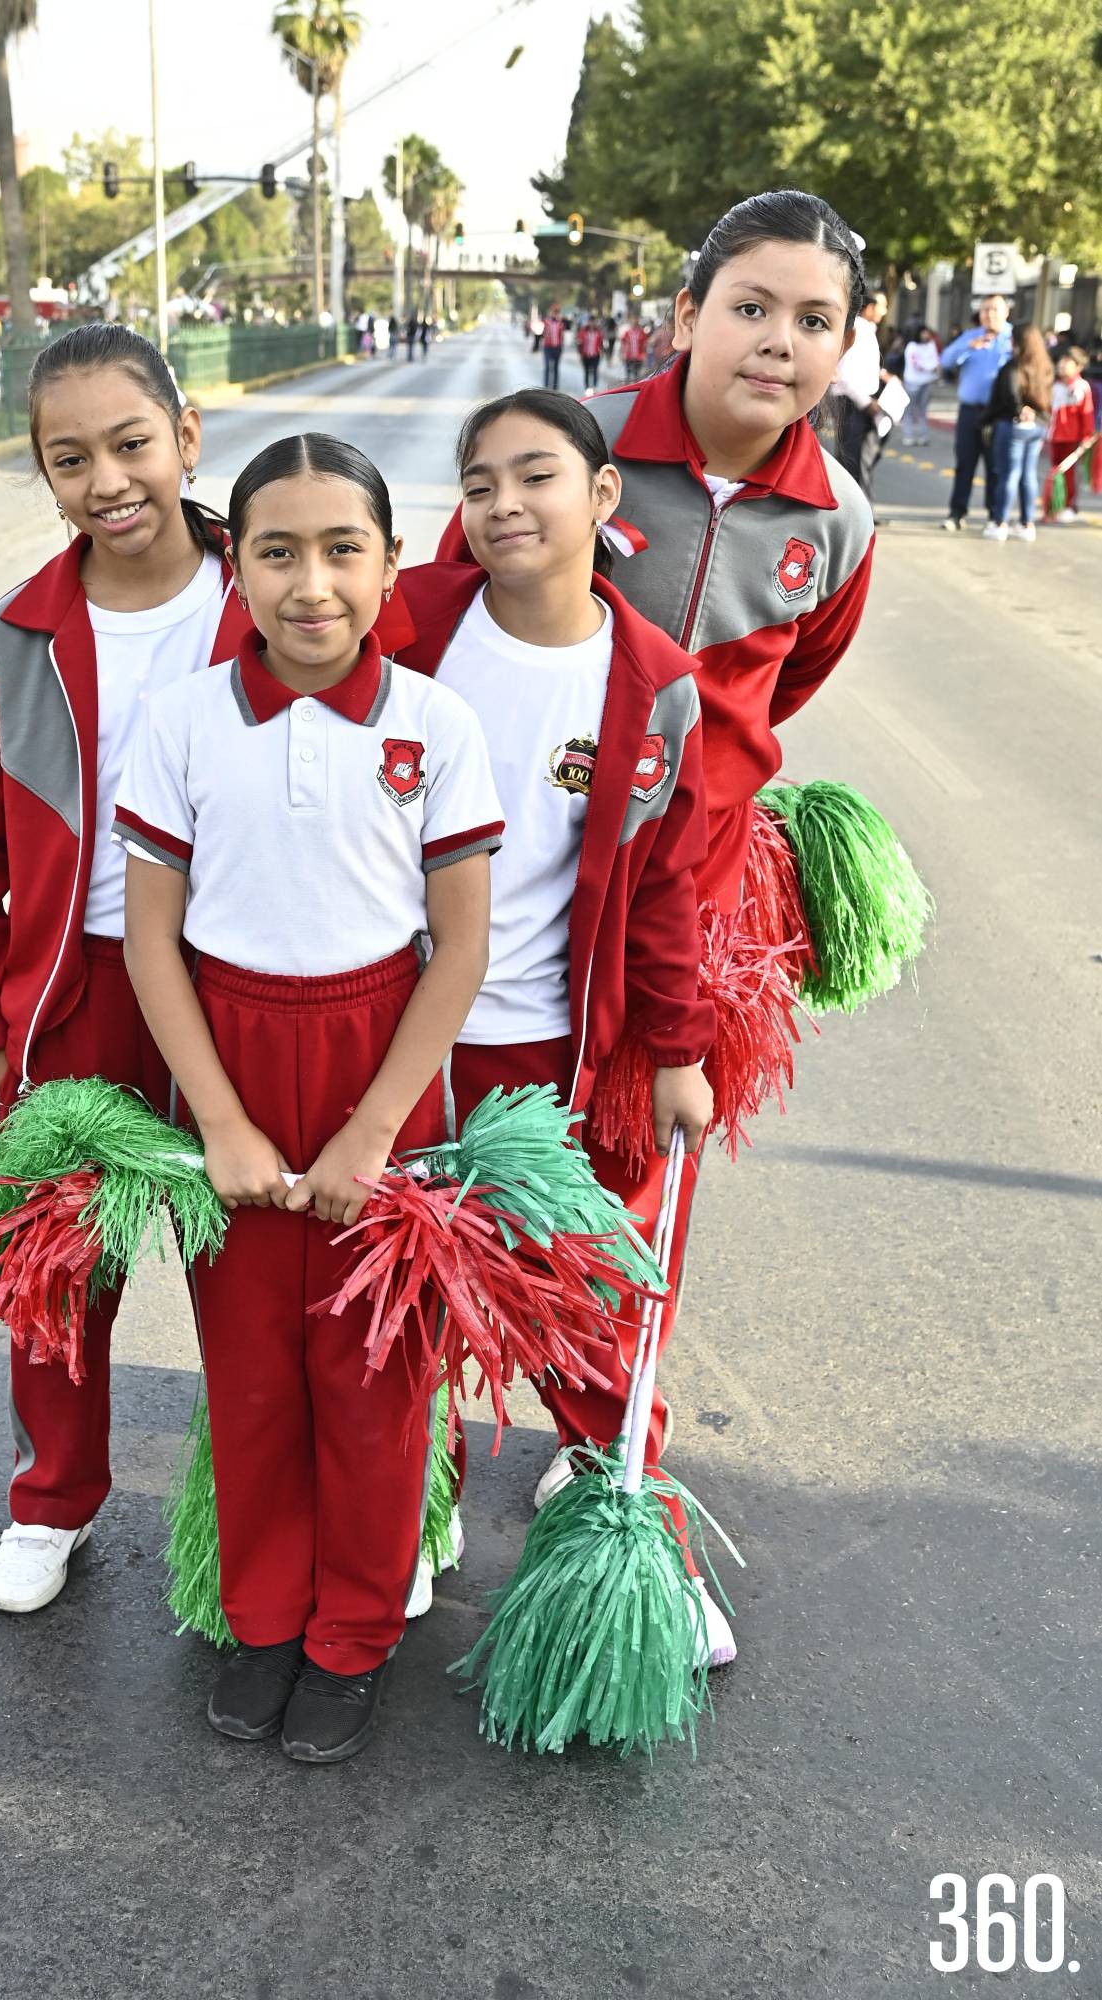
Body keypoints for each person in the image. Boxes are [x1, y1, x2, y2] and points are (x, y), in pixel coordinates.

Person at [435, 191, 876, 1663]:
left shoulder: (842, 521)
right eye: (752, 306)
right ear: (687, 316)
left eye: (814, 320)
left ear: (841, 347)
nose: (779, 341)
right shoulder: (565, 445)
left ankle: (600, 1453)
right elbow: (441, 628)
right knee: (445, 1174)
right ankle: (415, 1453)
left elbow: (775, 698)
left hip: (683, 910)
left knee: (619, 1209)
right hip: (517, 882)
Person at [118, 433, 502, 1762]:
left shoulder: (435, 728)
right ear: (238, 563)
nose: (310, 584)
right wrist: (216, 1119)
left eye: (344, 549)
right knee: (254, 1369)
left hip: (375, 1061)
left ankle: (352, 1634)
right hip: (228, 1053)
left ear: (392, 564)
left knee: (375, 1371)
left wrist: (374, 1128)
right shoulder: (181, 723)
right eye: (276, 551)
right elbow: (153, 939)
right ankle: (263, 1615)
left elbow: (459, 946)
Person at [0, 324, 249, 1617]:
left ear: (185, 437)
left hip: (240, 991)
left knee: (256, 1263)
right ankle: (50, 1498)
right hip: (76, 992)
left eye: (130, 443)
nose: (108, 479)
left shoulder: (270, 596)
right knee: (58, 1264)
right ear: (46, 477)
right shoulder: (13, 640)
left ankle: (286, 1507)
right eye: (71, 459)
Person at [392, 387, 721, 1639]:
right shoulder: (412, 620)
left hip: (542, 1045)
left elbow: (666, 888)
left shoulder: (653, 683)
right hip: (399, 1033)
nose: (505, 504)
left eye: (536, 476)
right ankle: (412, 1514)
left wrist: (679, 1051)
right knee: (403, 1298)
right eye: (479, 484)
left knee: (571, 1297)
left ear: (601, 497)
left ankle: (637, 1541)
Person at [938, 295, 1013, 530]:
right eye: (985, 310)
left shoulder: (1012, 339)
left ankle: (994, 515)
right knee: (965, 464)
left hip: (999, 413)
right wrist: (967, 346)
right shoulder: (971, 336)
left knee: (996, 467)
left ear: (1006, 312)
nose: (989, 314)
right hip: (970, 412)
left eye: (994, 309)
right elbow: (946, 360)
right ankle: (956, 513)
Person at [982, 322, 1052, 542]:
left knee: (1008, 475)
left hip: (1012, 426)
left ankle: (1000, 522)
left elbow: (1008, 396)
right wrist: (1032, 413)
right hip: (1037, 428)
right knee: (1028, 475)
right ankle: (1026, 523)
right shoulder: (1045, 366)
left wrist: (1020, 410)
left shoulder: (1013, 367)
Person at [832, 289, 889, 511]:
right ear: (871, 307)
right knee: (852, 461)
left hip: (859, 402)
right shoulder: (859, 329)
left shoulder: (867, 329)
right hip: (853, 404)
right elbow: (845, 375)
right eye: (883, 305)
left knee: (862, 460)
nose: (885, 311)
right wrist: (867, 403)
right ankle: (853, 514)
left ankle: (863, 512)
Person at [1047, 346, 1096, 523]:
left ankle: (1069, 506)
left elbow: (1087, 415)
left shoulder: (1081, 387)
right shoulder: (1055, 385)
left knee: (1068, 475)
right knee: (1054, 473)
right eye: (1061, 361)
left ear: (1078, 366)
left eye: (1068, 362)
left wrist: (1086, 438)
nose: (1062, 365)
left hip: (1072, 438)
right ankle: (1054, 506)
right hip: (1054, 436)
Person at [902, 325, 941, 443]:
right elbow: (916, 364)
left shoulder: (931, 345)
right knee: (909, 410)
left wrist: (935, 368)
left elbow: (936, 359)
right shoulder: (912, 346)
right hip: (912, 382)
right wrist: (931, 368)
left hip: (927, 382)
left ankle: (922, 436)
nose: (926, 335)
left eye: (927, 333)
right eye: (923, 333)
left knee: (922, 410)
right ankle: (908, 436)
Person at [540, 302, 565, 390]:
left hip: (557, 348)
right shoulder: (546, 321)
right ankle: (546, 388)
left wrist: (562, 346)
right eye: (553, 312)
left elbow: (562, 335)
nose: (555, 314)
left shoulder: (561, 323)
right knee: (547, 367)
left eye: (556, 312)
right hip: (548, 348)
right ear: (551, 312)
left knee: (555, 368)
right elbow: (542, 332)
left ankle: (555, 388)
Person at [576, 312, 605, 390]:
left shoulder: (598, 331)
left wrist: (602, 352)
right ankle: (587, 388)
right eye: (590, 321)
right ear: (588, 322)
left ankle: (594, 387)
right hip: (585, 355)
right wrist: (580, 354)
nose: (592, 323)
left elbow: (601, 343)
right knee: (587, 371)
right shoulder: (583, 331)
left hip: (595, 355)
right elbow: (579, 343)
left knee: (595, 371)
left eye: (593, 321)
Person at [620, 315, 649, 382]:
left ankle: (635, 385)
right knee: (628, 372)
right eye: (632, 322)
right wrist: (622, 353)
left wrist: (645, 354)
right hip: (629, 356)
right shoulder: (627, 332)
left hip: (639, 356)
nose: (634, 323)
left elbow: (645, 343)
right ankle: (628, 385)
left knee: (637, 373)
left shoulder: (641, 332)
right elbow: (623, 343)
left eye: (635, 322)